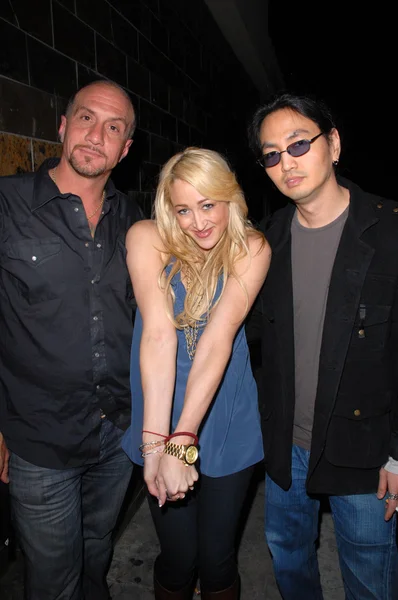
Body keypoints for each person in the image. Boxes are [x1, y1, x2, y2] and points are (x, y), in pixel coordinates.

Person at [247, 92, 398, 599]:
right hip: (286, 444)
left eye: (297, 145)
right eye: (271, 155)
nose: (285, 163)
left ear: (332, 144)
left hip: (366, 447)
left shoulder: (391, 230)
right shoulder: (268, 242)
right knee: (288, 559)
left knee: (369, 575)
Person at [0, 79, 143, 600]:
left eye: (113, 128)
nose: (95, 135)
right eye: (86, 118)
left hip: (119, 432)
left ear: (125, 149)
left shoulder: (137, 224)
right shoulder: (7, 205)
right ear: (63, 125)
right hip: (39, 436)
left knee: (97, 546)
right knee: (53, 578)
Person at [122, 147, 271, 599]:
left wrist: (182, 443)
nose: (198, 221)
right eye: (183, 209)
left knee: (216, 557)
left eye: (209, 204)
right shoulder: (146, 236)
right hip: (160, 408)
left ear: (230, 198)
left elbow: (216, 340)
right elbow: (159, 337)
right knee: (178, 555)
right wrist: (156, 445)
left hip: (226, 417)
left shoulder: (252, 247)